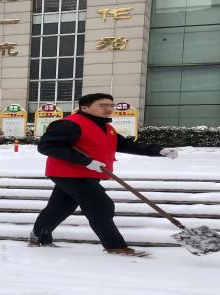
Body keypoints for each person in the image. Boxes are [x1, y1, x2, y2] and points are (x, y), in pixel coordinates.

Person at [31, 93, 178, 257]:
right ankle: (116, 246)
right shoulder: (69, 124)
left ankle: (39, 237)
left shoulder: (107, 128)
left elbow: (126, 145)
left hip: (86, 173)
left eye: (111, 105)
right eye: (103, 106)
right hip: (69, 173)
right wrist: (86, 162)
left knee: (60, 207)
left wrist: (158, 151)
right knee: (101, 205)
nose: (109, 109)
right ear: (84, 107)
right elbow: (47, 146)